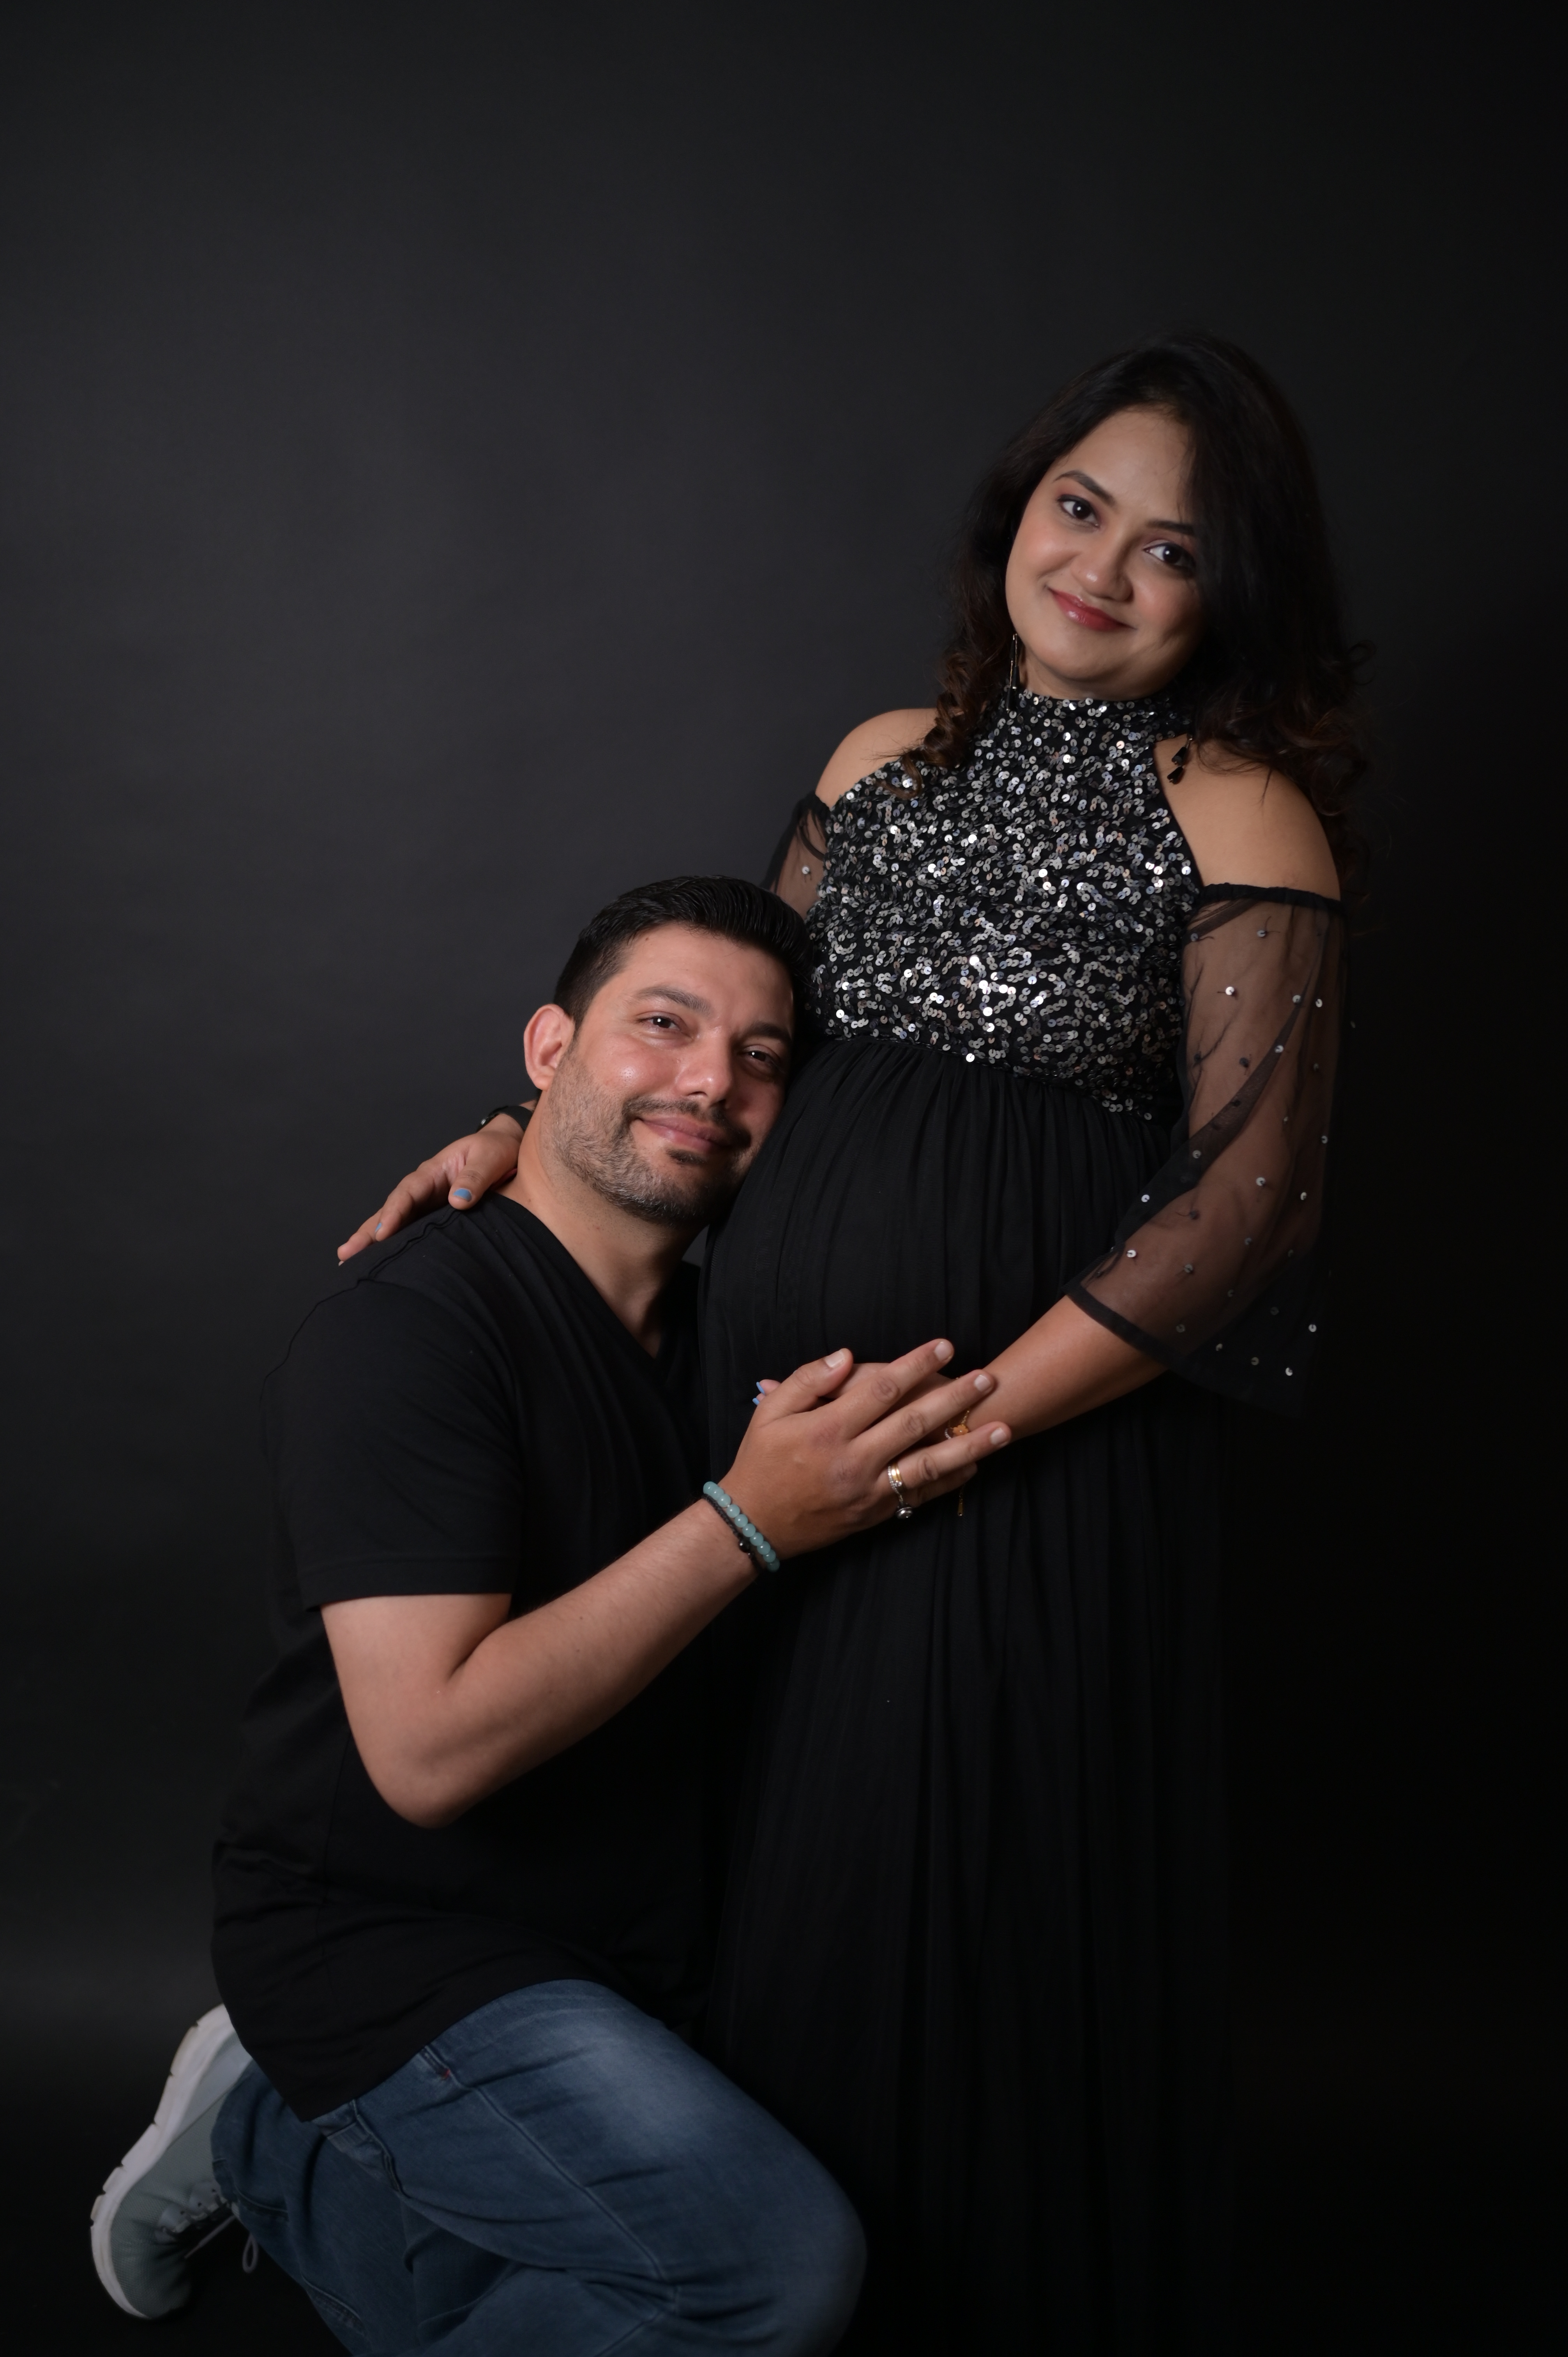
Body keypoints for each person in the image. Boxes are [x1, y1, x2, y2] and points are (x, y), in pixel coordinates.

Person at [338, 333, 1358, 2351]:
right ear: (1016, 512)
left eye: (1170, 548)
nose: (1101, 569)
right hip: (782, 1445)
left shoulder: (1244, 814)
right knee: (785, 1882)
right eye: (1078, 507)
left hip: (1024, 1463)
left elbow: (1245, 1209)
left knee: (985, 1898)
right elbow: (738, 1048)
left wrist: (957, 1425)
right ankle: (757, 2291)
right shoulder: (878, 757)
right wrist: (519, 1131)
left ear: (1229, 593)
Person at [90, 876, 1012, 2354]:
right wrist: (747, 1523)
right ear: (548, 1050)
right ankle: (291, 2097)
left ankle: (268, 2140)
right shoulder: (407, 1330)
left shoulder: (744, 1339)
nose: (710, 1081)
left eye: (762, 1057)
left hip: (638, 1939)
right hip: (391, 1947)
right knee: (768, 2270)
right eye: (664, 1025)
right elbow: (429, 1754)